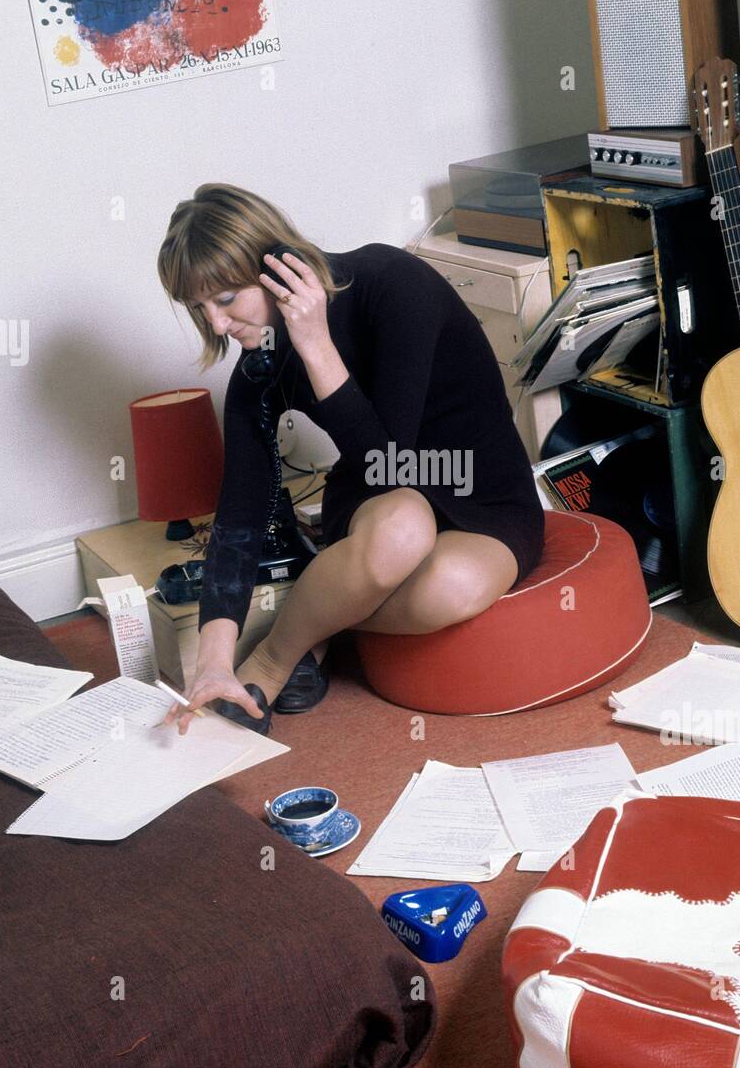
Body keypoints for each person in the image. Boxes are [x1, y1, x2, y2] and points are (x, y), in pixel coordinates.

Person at [156, 183, 545, 735]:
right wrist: (213, 661)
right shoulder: (260, 360)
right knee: (403, 528)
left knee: (451, 587)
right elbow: (241, 514)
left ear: (278, 267)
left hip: (480, 485)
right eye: (198, 308)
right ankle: (272, 664)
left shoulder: (392, 284)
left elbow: (392, 459)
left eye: (225, 299)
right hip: (379, 502)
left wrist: (315, 343)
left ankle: (312, 628)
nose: (217, 325)